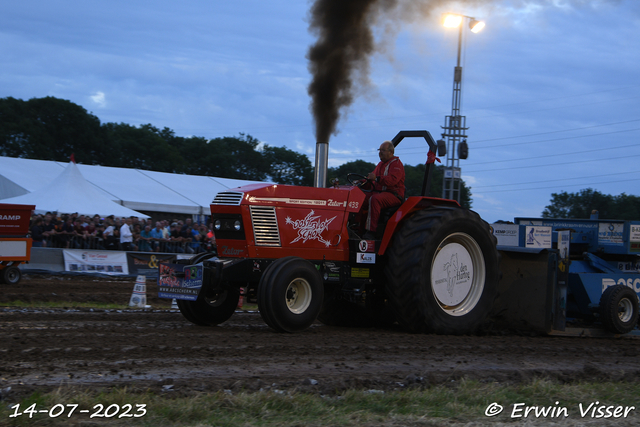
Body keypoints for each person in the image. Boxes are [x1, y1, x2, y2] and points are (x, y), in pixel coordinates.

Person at [359, 140, 405, 240]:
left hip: (393, 195)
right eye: (379, 150)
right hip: (379, 193)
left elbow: (392, 180)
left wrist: (377, 178)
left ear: (391, 152)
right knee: (358, 198)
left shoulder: (396, 164)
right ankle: (357, 228)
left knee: (375, 199)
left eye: (383, 150)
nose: (380, 152)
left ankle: (371, 232)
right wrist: (360, 183)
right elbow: (371, 180)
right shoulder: (380, 164)